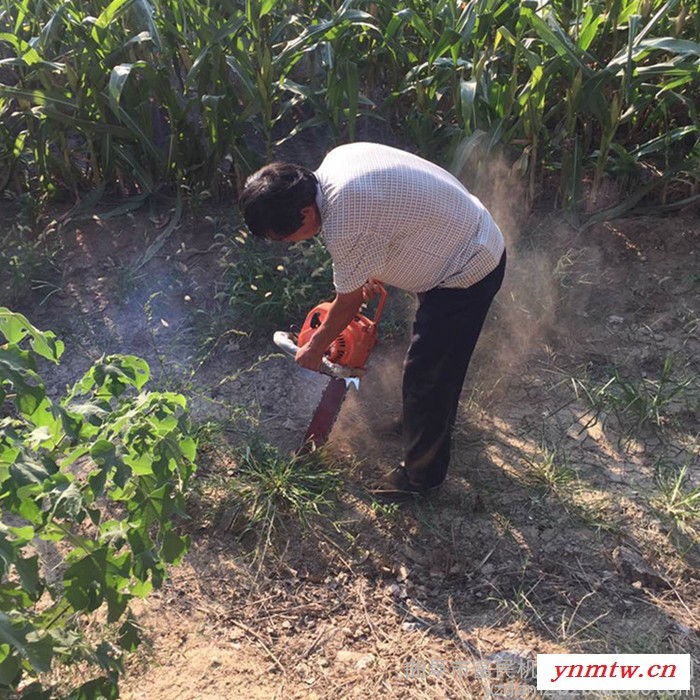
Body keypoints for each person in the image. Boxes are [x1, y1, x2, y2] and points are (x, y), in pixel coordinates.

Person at [238, 142, 506, 503]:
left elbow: (347, 303)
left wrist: (315, 347)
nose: (289, 245)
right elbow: (388, 215)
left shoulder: (345, 219)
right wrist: (365, 267)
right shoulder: (335, 163)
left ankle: (421, 478)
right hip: (461, 231)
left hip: (468, 267)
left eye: (285, 237)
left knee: (430, 373)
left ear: (305, 213)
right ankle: (419, 426)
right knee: (431, 364)